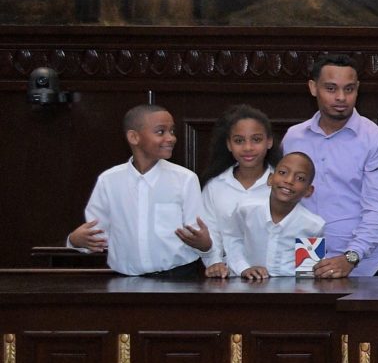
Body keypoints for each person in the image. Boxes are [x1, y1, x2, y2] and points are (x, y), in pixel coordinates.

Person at [67, 103, 210, 278]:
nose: (171, 138)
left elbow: (199, 234)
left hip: (178, 278)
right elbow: (95, 235)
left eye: (172, 131)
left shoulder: (185, 179)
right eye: (160, 132)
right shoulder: (109, 180)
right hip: (126, 281)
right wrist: (75, 240)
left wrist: (204, 244)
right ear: (134, 137)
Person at [282, 53, 378, 278]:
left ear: (357, 89)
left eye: (349, 89)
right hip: (305, 259)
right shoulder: (294, 137)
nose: (341, 97)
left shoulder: (376, 139)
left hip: (364, 266)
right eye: (331, 89)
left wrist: (350, 258)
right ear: (313, 88)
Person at [199, 104, 274, 279]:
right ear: (229, 144)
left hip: (275, 279)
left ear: (269, 141)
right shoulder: (215, 186)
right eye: (239, 141)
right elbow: (211, 231)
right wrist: (214, 263)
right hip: (227, 279)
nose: (248, 147)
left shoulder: (284, 185)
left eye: (256, 139)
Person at [225, 152, 326, 281]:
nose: (289, 181)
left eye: (300, 178)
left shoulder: (313, 225)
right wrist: (243, 268)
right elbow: (233, 240)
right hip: (248, 286)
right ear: (270, 178)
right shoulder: (246, 209)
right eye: (283, 173)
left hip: (290, 294)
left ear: (308, 191)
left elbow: (306, 276)